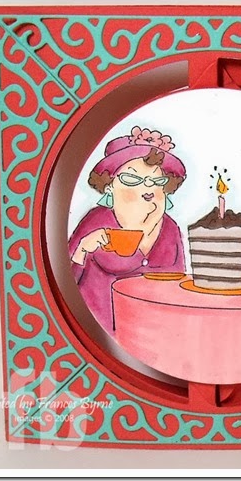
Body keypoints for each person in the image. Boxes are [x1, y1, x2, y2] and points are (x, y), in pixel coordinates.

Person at [69, 126, 186, 334]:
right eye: (132, 180)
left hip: (154, 335)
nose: (147, 189)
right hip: (100, 334)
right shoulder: (95, 222)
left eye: (156, 181)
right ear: (109, 186)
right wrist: (81, 251)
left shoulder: (171, 229)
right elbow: (61, 285)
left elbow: (177, 290)